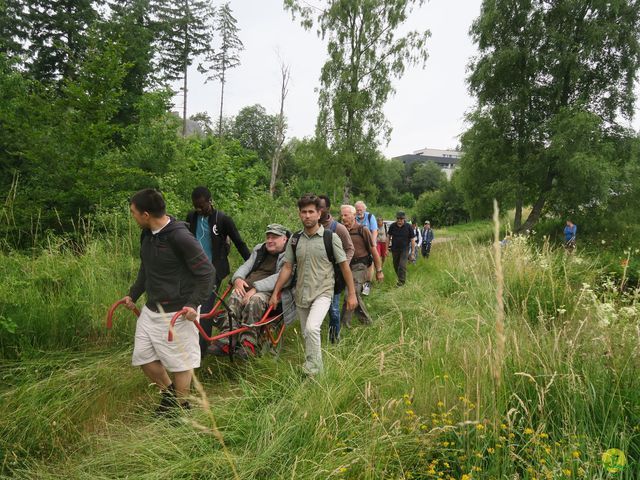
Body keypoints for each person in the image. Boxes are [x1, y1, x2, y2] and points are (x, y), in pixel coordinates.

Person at [121, 189, 215, 414]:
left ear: (146, 214)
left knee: (180, 362)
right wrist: (133, 294)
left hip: (179, 311)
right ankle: (171, 396)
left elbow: (207, 273)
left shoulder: (180, 237)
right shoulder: (147, 234)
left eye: (133, 212)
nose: (132, 216)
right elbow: (146, 267)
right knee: (143, 357)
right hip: (152, 308)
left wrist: (193, 304)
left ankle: (181, 408)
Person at [270, 194, 357, 376]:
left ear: (319, 213)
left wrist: (351, 294)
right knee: (307, 334)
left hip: (323, 293)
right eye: (304, 212)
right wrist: (275, 292)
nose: (307, 216)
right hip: (301, 294)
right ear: (299, 214)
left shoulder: (330, 238)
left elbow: (344, 267)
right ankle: (312, 367)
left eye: (311, 212)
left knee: (312, 328)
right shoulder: (294, 240)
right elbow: (287, 268)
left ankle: (315, 373)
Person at [207, 224, 295, 359]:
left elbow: (282, 277)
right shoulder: (260, 249)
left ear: (284, 239)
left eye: (274, 237)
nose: (270, 240)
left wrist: (256, 288)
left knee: (255, 300)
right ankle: (227, 340)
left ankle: (248, 343)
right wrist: (238, 278)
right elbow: (246, 265)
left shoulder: (289, 254)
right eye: (268, 237)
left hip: (271, 292)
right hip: (250, 286)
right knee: (236, 295)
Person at [186, 186, 251, 357]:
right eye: (196, 206)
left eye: (202, 205)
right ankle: (190, 345)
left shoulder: (222, 219)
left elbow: (239, 243)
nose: (199, 209)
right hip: (193, 270)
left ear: (210, 201)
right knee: (191, 306)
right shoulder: (191, 217)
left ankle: (202, 351)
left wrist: (252, 265)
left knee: (205, 309)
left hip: (213, 270)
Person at [340, 205, 384, 327]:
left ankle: (343, 324)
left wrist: (379, 270)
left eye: (346, 215)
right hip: (345, 266)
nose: (343, 218)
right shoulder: (339, 230)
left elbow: (374, 251)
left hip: (360, 266)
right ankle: (367, 322)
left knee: (350, 292)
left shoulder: (362, 230)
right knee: (354, 295)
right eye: (342, 215)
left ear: (354, 216)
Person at [318, 195, 354, 344]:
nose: (318, 210)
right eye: (316, 207)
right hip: (317, 275)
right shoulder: (312, 226)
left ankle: (334, 339)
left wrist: (342, 264)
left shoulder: (338, 228)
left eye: (321, 207)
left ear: (328, 208)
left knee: (333, 310)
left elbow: (350, 249)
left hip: (334, 276)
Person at [387, 211, 415, 287]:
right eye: (398, 219)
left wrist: (412, 252)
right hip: (394, 249)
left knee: (402, 265)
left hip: (404, 249)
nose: (399, 221)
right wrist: (386, 249)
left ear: (404, 219)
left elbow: (412, 240)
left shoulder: (408, 227)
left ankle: (401, 282)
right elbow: (388, 237)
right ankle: (401, 277)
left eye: (401, 219)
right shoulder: (392, 226)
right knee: (396, 266)